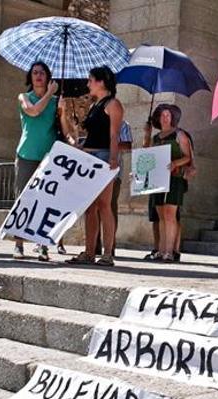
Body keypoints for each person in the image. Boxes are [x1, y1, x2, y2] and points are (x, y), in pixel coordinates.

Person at [63, 66, 123, 266]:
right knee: (90, 208)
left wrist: (113, 159)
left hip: (104, 156)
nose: (87, 84)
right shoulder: (94, 105)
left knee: (105, 206)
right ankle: (89, 252)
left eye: (90, 80)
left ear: (101, 82)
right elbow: (88, 134)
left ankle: (107, 253)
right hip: (89, 156)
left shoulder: (113, 104)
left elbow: (114, 134)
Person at [14, 62, 61, 261]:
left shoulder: (57, 101)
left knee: (45, 202)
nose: (38, 76)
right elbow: (33, 112)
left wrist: (61, 108)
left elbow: (64, 127)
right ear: (30, 77)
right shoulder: (24, 97)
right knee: (22, 200)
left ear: (48, 75)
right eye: (35, 73)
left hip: (48, 156)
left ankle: (42, 246)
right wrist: (49, 94)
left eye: (42, 72)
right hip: (26, 154)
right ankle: (18, 245)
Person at [144, 104, 192, 263]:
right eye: (162, 115)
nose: (165, 118)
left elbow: (188, 157)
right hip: (158, 179)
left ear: (172, 118)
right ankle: (162, 250)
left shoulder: (180, 135)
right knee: (161, 216)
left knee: (170, 215)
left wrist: (175, 163)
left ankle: (170, 252)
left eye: (168, 115)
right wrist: (147, 135)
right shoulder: (156, 138)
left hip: (174, 179)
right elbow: (148, 156)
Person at [94, 120, 132, 257]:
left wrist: (108, 144)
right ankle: (94, 245)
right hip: (94, 172)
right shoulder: (95, 121)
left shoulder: (123, 125)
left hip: (113, 173)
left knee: (109, 207)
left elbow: (128, 145)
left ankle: (110, 246)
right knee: (93, 207)